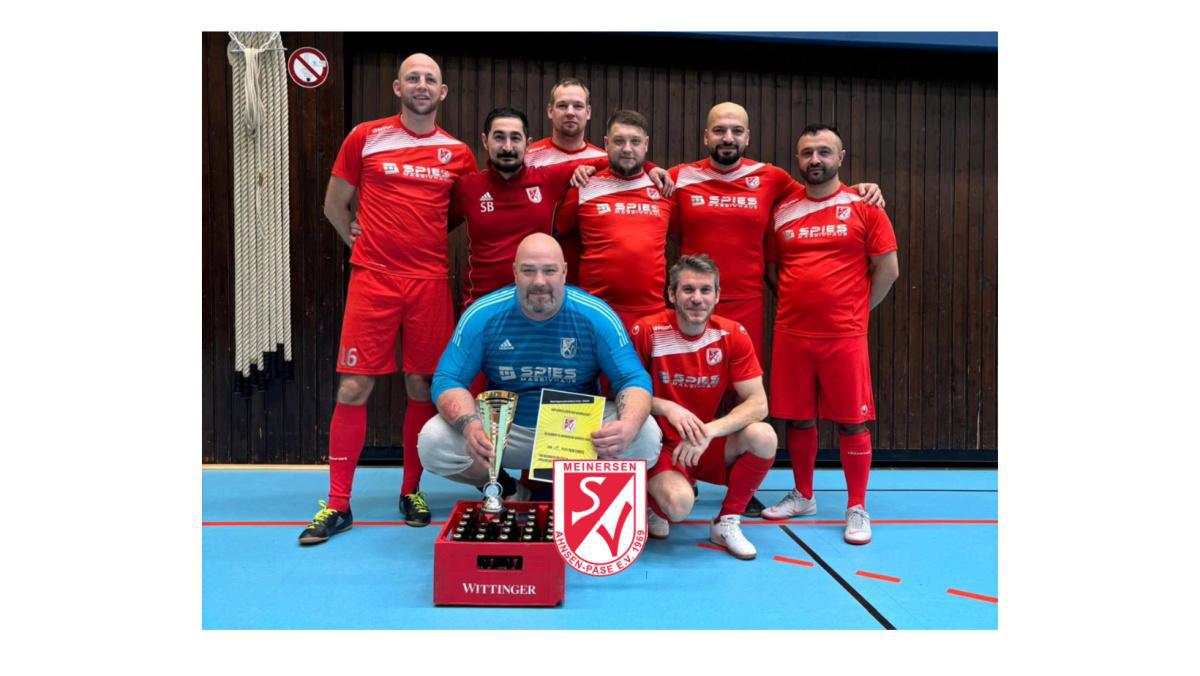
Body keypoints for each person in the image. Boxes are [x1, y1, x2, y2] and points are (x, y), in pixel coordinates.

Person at [669, 102, 885, 518]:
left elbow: (820, 191)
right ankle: (682, 476)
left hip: (746, 307)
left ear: (747, 137)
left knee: (741, 400)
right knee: (686, 391)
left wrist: (864, 189)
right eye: (719, 131)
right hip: (691, 305)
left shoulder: (772, 179)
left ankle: (739, 488)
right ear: (706, 136)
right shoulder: (678, 178)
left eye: (736, 131)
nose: (727, 138)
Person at [299, 53, 478, 545]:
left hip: (428, 283)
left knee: (422, 387)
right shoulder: (365, 136)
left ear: (443, 93)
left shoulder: (458, 153)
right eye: (413, 78)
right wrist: (361, 244)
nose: (422, 85)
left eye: (431, 80)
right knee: (354, 388)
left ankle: (410, 491)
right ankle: (337, 504)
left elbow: (457, 215)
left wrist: (414, 237)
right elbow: (334, 205)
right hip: (373, 281)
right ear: (398, 87)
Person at [418, 234, 661, 489]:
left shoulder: (596, 315)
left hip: (578, 432)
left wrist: (628, 426)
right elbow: (448, 379)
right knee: (433, 442)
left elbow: (633, 378)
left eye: (549, 271)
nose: (539, 281)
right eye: (528, 271)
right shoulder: (483, 314)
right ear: (514, 272)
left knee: (646, 436)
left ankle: (582, 490)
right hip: (506, 433)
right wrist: (470, 426)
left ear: (564, 272)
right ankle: (503, 485)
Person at [762, 124, 900, 545]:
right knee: (799, 417)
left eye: (824, 152)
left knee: (852, 422)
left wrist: (856, 314)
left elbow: (888, 269)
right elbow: (773, 269)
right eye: (807, 153)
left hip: (844, 336)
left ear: (841, 157)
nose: (815, 160)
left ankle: (856, 505)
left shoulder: (865, 206)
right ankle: (804, 494)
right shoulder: (783, 210)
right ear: (798, 159)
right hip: (792, 333)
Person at [631, 255, 776, 560]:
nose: (697, 299)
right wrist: (668, 407)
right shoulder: (647, 331)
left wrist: (709, 431)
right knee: (677, 508)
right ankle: (650, 496)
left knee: (764, 436)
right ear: (672, 295)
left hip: (703, 443)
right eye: (688, 290)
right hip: (660, 446)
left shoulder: (732, 334)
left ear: (717, 295)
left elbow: (758, 403)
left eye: (705, 290)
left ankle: (727, 521)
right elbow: (622, 394)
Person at [526, 78, 673, 285]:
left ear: (588, 112)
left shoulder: (604, 160)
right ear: (550, 111)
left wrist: (650, 167)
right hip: (534, 263)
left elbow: (629, 162)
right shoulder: (529, 157)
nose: (570, 112)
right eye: (562, 105)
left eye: (577, 106)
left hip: (585, 279)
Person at [555, 109, 676, 333]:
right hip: (595, 309)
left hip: (652, 312)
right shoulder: (583, 185)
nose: (627, 148)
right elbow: (557, 234)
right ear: (606, 143)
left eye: (635, 141)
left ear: (646, 144)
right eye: (619, 141)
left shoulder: (663, 187)